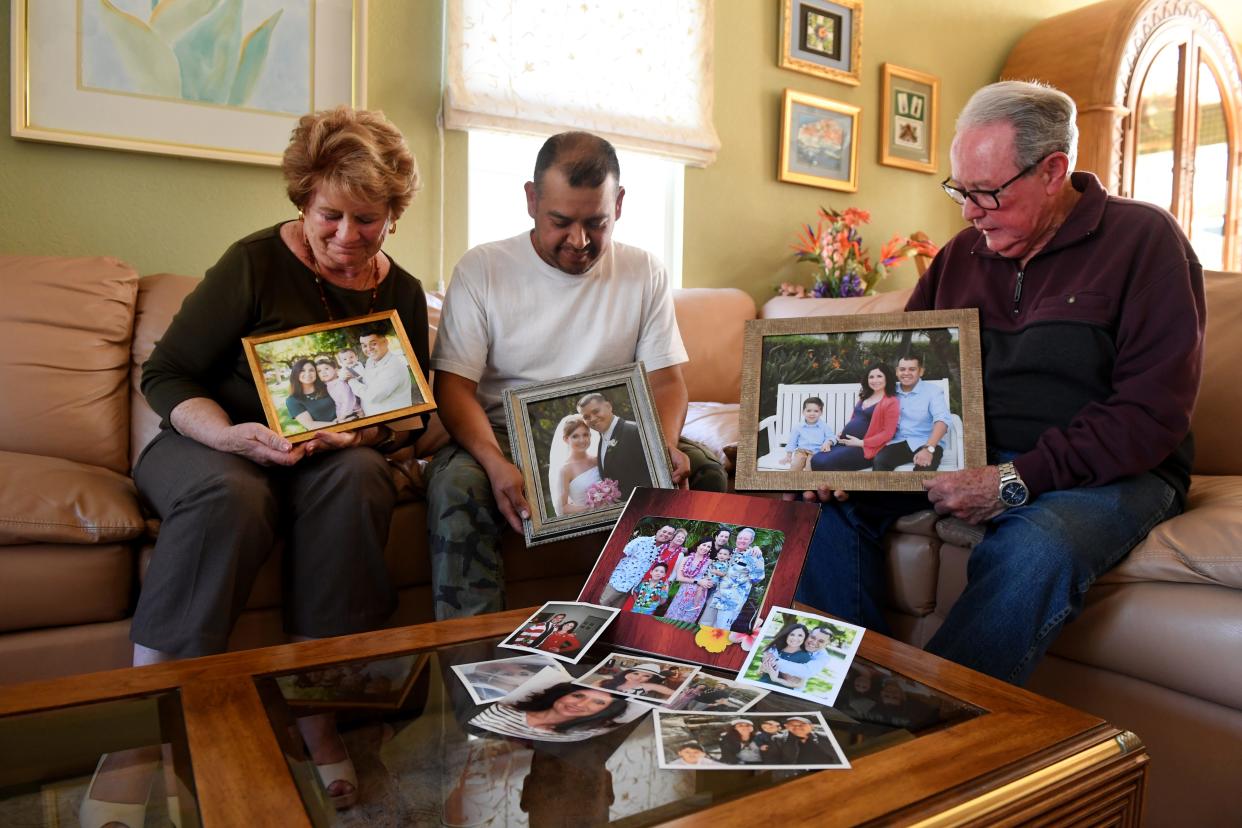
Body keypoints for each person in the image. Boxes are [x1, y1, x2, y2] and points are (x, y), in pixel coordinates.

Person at [78, 107, 427, 826]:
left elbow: (412, 413)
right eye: (331, 215)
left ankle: (319, 712)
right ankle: (147, 733)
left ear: (395, 213)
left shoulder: (403, 292)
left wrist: (366, 438)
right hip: (209, 446)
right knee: (230, 494)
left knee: (362, 480)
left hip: (322, 462)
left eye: (370, 219)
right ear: (303, 200)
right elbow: (169, 375)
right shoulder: (253, 263)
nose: (348, 237)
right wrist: (232, 434)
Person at [795, 80, 1203, 686]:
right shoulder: (960, 255)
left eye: (985, 192)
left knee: (1035, 551)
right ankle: (852, 693)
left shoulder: (1145, 241)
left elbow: (1150, 416)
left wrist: (1015, 480)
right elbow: (900, 370)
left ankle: (935, 730)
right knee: (812, 506)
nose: (967, 211)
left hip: (1112, 470)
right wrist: (841, 460)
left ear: (1053, 170)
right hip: (967, 448)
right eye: (960, 190)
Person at [426, 130, 726, 619]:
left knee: (707, 471)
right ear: (531, 200)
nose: (579, 241)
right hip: (502, 433)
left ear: (620, 205)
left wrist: (664, 444)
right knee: (455, 488)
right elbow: (454, 389)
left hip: (614, 432)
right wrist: (495, 463)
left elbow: (666, 381)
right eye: (560, 222)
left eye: (596, 223)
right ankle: (471, 660)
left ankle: (677, 641)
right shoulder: (482, 268)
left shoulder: (643, 270)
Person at [470, 682, 630, 743]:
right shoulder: (499, 711)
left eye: (598, 702)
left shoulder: (589, 734)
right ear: (561, 694)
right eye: (577, 695)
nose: (581, 703)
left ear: (604, 711)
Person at [810, 365, 900, 471]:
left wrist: (861, 443)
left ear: (887, 378)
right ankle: (826, 487)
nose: (875, 380)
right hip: (845, 443)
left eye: (879, 376)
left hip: (864, 448)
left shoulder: (891, 401)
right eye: (871, 377)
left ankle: (837, 488)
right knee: (816, 459)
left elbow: (888, 433)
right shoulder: (864, 398)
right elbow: (854, 420)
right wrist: (838, 436)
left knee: (825, 461)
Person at [872, 354, 951, 472]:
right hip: (899, 442)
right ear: (897, 372)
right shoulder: (890, 391)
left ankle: (914, 492)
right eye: (902, 369)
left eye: (912, 369)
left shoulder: (933, 391)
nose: (906, 373)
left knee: (924, 470)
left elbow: (942, 421)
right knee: (880, 461)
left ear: (921, 371)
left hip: (927, 441)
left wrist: (928, 449)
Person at [576, 391, 653, 494]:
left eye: (596, 411)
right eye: (586, 417)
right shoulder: (601, 439)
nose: (592, 419)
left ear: (608, 406)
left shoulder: (635, 431)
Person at [698, 528, 765, 631]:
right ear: (736, 538)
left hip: (732, 600)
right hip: (717, 595)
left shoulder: (755, 556)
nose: (742, 540)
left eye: (746, 539)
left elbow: (757, 578)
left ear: (751, 541)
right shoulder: (729, 552)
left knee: (721, 628)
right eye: (740, 538)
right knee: (705, 623)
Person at [599, 524, 677, 606]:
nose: (665, 534)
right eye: (664, 531)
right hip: (617, 582)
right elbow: (620, 555)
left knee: (612, 613)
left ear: (671, 537)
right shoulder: (641, 541)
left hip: (631, 589)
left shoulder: (663, 551)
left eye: (669, 534)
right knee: (600, 606)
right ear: (658, 531)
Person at [349, 325, 413, 416]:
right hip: (373, 418)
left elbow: (372, 396)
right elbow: (369, 383)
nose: (369, 349)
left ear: (385, 342)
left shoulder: (394, 366)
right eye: (364, 346)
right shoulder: (370, 361)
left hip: (394, 422)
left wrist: (351, 381)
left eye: (373, 344)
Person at [548, 416, 602, 516]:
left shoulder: (598, 460)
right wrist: (591, 507)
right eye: (575, 436)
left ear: (590, 436)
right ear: (566, 439)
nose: (582, 440)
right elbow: (562, 508)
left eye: (585, 435)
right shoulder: (565, 470)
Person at [758, 625, 835, 690]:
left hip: (791, 690)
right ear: (808, 635)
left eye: (821, 641)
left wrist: (771, 662)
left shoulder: (823, 658)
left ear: (826, 645)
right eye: (813, 637)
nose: (814, 642)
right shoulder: (791, 644)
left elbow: (805, 672)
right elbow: (769, 651)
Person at [662, 538, 715, 622]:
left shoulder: (709, 562)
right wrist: (698, 581)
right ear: (698, 545)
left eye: (708, 547)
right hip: (684, 592)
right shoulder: (686, 559)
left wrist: (709, 582)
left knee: (688, 618)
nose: (705, 548)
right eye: (704, 545)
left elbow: (711, 577)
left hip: (699, 593)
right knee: (675, 615)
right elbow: (679, 578)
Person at [782, 397, 834, 471]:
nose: (812, 414)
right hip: (801, 451)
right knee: (795, 465)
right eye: (808, 411)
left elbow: (831, 437)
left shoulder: (824, 426)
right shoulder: (798, 427)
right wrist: (788, 455)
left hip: (816, 452)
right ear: (803, 412)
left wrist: (828, 442)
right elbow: (792, 441)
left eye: (816, 411)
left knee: (810, 466)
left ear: (821, 413)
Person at [285, 357, 338, 430]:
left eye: (311, 370)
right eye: (302, 370)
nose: (308, 374)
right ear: (296, 374)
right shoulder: (292, 400)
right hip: (325, 433)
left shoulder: (327, 386)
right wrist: (338, 424)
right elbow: (310, 425)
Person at [756, 621, 812, 687]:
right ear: (787, 635)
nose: (795, 638)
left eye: (800, 635)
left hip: (779, 692)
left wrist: (775, 679)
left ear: (805, 638)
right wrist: (762, 669)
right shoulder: (775, 650)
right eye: (792, 634)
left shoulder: (804, 657)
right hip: (761, 683)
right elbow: (759, 672)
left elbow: (800, 684)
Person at [764, 717, 839, 765]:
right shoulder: (778, 739)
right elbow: (772, 758)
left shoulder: (825, 736)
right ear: (786, 726)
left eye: (802, 724)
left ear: (811, 726)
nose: (797, 727)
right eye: (792, 724)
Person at [316, 357, 360, 421]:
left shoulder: (340, 383)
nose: (323, 372)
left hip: (353, 412)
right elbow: (338, 404)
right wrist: (339, 416)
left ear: (336, 370)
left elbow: (348, 400)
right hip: (344, 414)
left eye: (326, 369)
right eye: (319, 371)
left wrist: (341, 417)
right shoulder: (328, 385)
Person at [599, 663, 674, 699]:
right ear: (627, 673)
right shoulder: (606, 681)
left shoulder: (646, 686)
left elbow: (673, 693)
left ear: (649, 679)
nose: (638, 678)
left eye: (646, 676)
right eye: (636, 673)